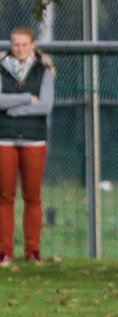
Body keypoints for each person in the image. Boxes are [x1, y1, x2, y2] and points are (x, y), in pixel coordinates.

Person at [0, 26, 55, 266]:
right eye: (15, 44)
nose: (19, 49)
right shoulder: (1, 69)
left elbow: (45, 106)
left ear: (32, 45)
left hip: (34, 140)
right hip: (5, 139)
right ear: (10, 46)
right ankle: (5, 251)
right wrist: (24, 99)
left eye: (24, 44)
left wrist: (12, 110)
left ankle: (33, 251)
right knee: (4, 197)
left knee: (32, 196)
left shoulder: (43, 71)